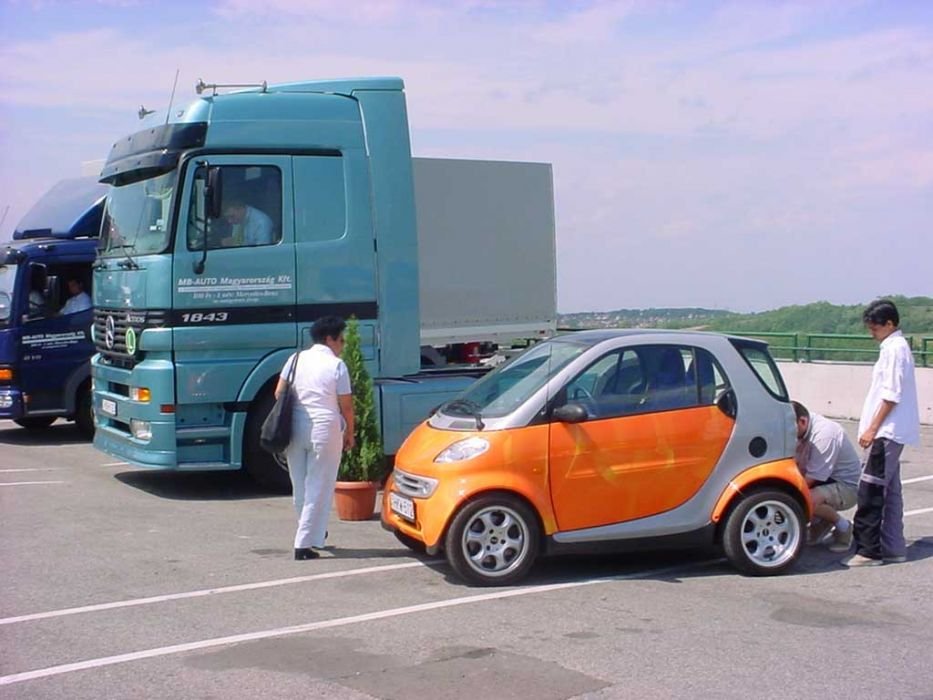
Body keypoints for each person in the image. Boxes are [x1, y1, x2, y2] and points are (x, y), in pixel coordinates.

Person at [844, 299, 921, 567]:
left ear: (890, 324)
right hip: (892, 431)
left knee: (871, 489)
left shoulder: (894, 349)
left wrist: (872, 428)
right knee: (890, 491)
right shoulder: (896, 347)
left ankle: (868, 551)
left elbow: (891, 395)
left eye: (874, 328)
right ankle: (893, 547)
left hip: (886, 432)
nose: (872, 333)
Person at [276, 316, 355, 560]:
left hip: (294, 427)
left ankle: (315, 536)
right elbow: (347, 406)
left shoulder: (295, 359)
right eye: (341, 339)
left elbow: (279, 392)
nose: (342, 344)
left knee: (300, 485)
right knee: (319, 485)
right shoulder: (336, 366)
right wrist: (350, 433)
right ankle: (302, 544)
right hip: (324, 426)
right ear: (329, 339)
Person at [792, 401, 861, 552]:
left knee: (805, 499)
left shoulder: (824, 436)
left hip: (845, 487)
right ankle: (822, 523)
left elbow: (811, 479)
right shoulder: (800, 427)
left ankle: (844, 528)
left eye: (789, 428)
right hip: (823, 480)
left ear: (802, 421)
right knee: (797, 495)